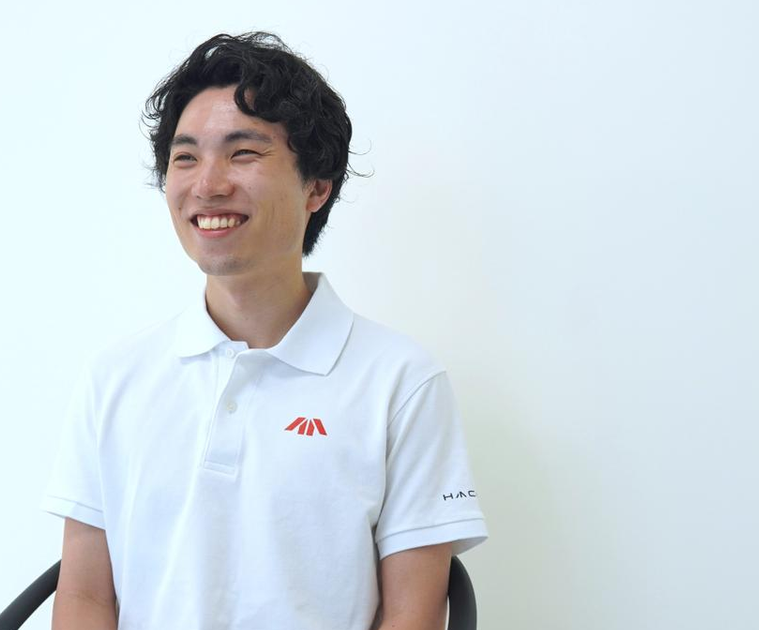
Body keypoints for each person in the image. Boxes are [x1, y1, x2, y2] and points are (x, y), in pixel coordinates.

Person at [41, 31, 487, 630]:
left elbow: (413, 615)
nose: (207, 185)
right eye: (185, 157)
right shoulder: (115, 378)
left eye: (243, 153)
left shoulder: (401, 383)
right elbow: (86, 599)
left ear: (317, 187)